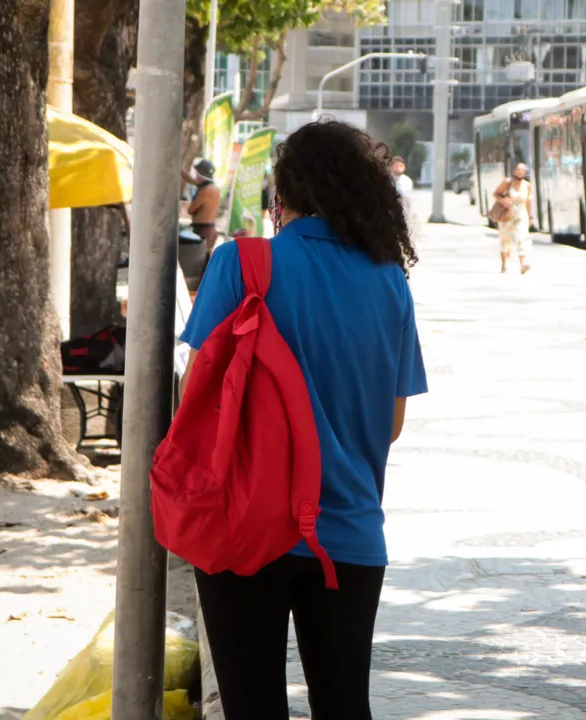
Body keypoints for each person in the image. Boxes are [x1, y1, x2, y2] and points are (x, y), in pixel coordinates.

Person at [178, 121, 428, 719]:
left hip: (242, 524)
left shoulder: (240, 262)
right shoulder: (389, 279)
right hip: (348, 530)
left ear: (281, 195)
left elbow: (195, 394)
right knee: (345, 705)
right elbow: (391, 422)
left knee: (251, 706)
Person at [494, 163, 533, 274]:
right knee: (505, 240)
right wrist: (504, 201)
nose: (520, 172)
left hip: (521, 215)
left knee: (522, 238)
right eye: (518, 169)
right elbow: (496, 194)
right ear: (514, 171)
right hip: (507, 216)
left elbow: (528, 201)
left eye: (523, 170)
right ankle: (504, 263)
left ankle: (523, 263)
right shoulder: (507, 182)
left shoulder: (527, 185)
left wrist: (530, 216)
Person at [182, 158, 221, 257]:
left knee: (198, 265)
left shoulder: (205, 190)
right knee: (204, 263)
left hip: (202, 231)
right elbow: (192, 180)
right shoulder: (214, 188)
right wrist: (179, 170)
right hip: (210, 229)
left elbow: (191, 210)